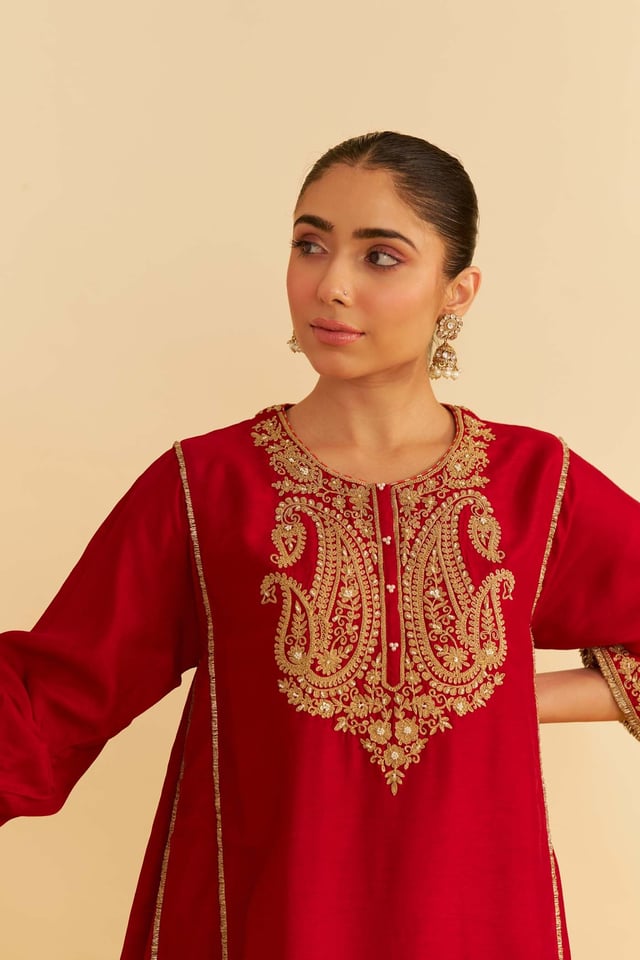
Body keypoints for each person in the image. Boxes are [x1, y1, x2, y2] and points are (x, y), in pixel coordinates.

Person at [1, 131, 638, 960]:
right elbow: (51, 698)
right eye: (310, 245)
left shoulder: (535, 485)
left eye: (381, 257)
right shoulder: (206, 488)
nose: (331, 284)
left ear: (458, 290)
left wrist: (509, 698)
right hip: (263, 922)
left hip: (477, 922)